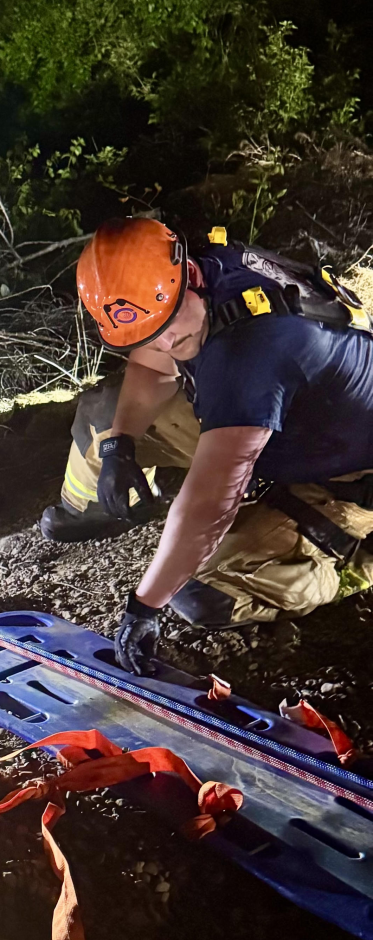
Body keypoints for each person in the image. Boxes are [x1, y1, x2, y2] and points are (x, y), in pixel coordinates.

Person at [44, 217, 373, 673]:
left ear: (191, 278)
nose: (167, 342)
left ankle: (353, 564)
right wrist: (120, 447)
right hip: (284, 424)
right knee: (103, 417)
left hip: (344, 474)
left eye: (169, 324)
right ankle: (98, 509)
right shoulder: (199, 273)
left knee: (200, 593)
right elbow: (155, 366)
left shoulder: (249, 351)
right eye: (148, 332)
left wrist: (143, 607)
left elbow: (210, 505)